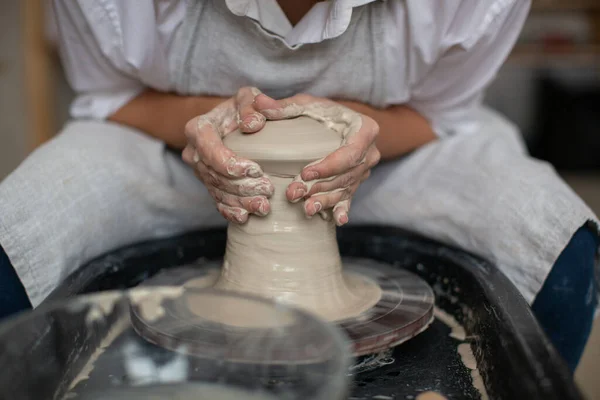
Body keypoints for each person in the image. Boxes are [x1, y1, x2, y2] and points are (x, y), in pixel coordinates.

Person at [0, 0, 597, 372]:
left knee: (551, 241)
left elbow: (440, 114)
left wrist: (355, 133)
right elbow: (113, 100)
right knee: (16, 233)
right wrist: (211, 125)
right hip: (168, 151)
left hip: (392, 153)